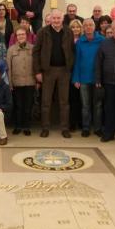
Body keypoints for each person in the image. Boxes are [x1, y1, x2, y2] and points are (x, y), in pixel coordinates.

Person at [33, 9, 74, 138]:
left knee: (64, 101)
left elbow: (72, 50)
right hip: (48, 71)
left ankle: (65, 128)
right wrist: (38, 71)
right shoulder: (42, 32)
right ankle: (45, 127)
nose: (56, 21)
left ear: (62, 19)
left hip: (64, 71)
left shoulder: (68, 32)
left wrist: (70, 66)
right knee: (46, 101)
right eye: (54, 18)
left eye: (58, 18)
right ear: (50, 19)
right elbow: (36, 52)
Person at [72, 18, 104, 137]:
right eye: (86, 25)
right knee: (85, 106)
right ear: (83, 28)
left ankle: (97, 128)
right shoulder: (80, 41)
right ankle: (86, 128)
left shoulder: (102, 40)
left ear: (94, 26)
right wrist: (76, 78)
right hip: (83, 79)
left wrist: (101, 78)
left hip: (97, 79)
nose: (88, 27)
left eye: (91, 25)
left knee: (98, 105)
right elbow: (77, 61)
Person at [7, 27, 35, 136]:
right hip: (16, 82)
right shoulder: (11, 49)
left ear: (26, 35)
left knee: (28, 106)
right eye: (19, 35)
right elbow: (8, 67)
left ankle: (26, 126)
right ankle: (18, 126)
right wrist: (10, 83)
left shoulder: (33, 48)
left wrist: (37, 82)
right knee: (18, 106)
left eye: (23, 34)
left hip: (30, 81)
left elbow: (36, 65)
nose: (21, 36)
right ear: (16, 37)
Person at [68, 19, 84, 131]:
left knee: (82, 100)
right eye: (73, 27)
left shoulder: (83, 40)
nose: (75, 29)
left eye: (77, 27)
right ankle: (72, 122)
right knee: (72, 99)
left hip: (81, 72)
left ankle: (81, 122)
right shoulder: (67, 40)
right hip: (69, 73)